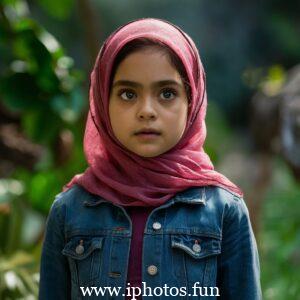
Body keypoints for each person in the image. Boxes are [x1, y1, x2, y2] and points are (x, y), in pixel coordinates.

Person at [38, 18, 262, 300]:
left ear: (192, 102)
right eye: (128, 94)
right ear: (103, 102)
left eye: (167, 93)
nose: (146, 111)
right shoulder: (69, 210)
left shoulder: (225, 211)